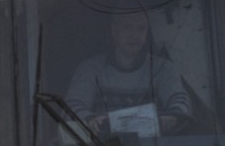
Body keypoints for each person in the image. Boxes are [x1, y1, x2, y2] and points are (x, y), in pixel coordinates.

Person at [64, 12, 192, 137]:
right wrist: (90, 119)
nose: (134, 35)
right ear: (114, 31)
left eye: (141, 29)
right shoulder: (91, 68)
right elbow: (72, 106)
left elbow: (180, 101)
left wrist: (174, 116)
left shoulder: (163, 68)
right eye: (127, 27)